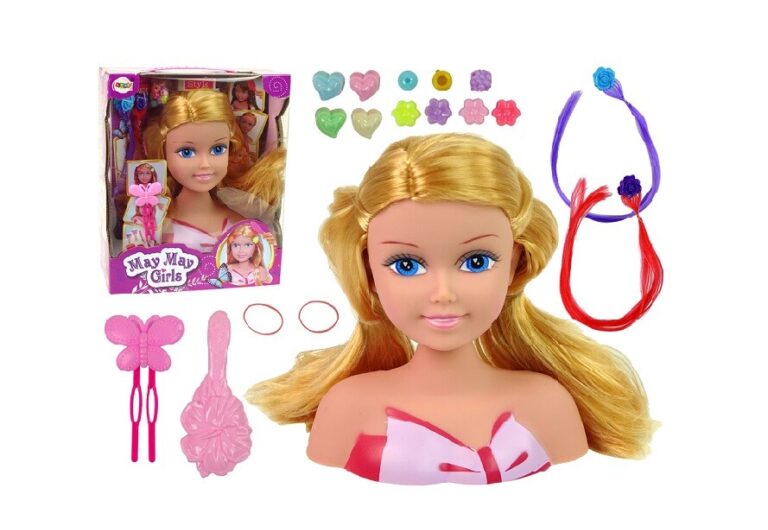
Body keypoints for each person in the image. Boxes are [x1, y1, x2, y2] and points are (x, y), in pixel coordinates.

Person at [247, 133, 654, 485]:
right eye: (406, 265)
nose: (443, 293)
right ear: (368, 271)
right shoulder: (347, 407)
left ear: (516, 264)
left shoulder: (549, 404)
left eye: (476, 261)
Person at [143, 89, 285, 253]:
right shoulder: (157, 228)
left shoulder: (240, 223)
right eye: (186, 152)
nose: (205, 164)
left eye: (218, 149)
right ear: (163, 152)